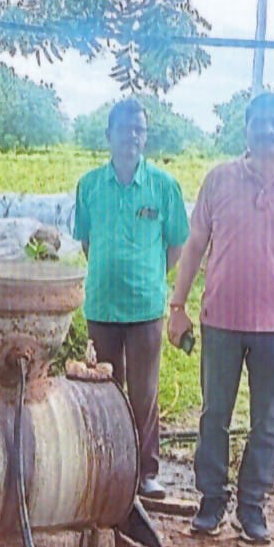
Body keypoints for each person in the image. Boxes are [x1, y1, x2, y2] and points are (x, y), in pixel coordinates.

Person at [168, 91, 274, 541]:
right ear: (246, 129)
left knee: (268, 420)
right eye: (260, 121)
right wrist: (177, 307)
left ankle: (252, 507)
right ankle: (211, 501)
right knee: (213, 413)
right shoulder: (218, 180)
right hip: (220, 319)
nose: (269, 129)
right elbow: (194, 244)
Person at [73, 98, 190, 500]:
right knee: (104, 388)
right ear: (109, 136)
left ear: (146, 136)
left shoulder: (164, 186)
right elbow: (87, 241)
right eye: (125, 129)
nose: (132, 137)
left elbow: (176, 245)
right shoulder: (89, 186)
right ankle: (106, 470)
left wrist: (152, 278)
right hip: (102, 305)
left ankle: (145, 472)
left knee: (144, 391)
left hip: (145, 307)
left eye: (139, 129)